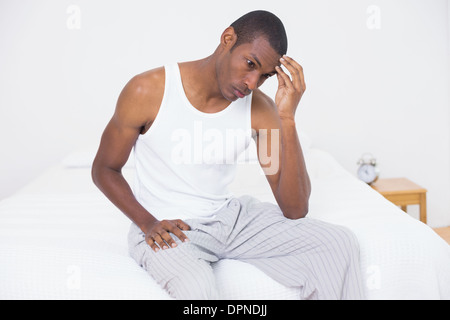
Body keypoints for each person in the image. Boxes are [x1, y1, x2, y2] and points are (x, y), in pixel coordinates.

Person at [92, 10, 365, 300]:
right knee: (196, 288)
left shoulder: (260, 110)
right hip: (169, 226)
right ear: (227, 39)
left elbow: (295, 209)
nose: (251, 83)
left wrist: (286, 118)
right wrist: (147, 223)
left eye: (264, 77)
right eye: (250, 64)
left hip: (231, 221)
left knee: (338, 243)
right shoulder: (147, 91)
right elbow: (105, 169)